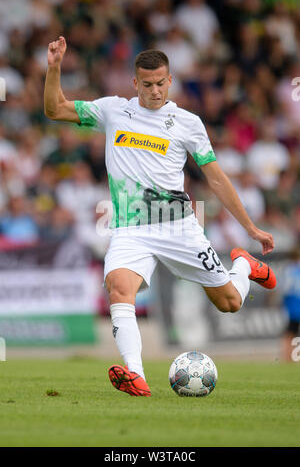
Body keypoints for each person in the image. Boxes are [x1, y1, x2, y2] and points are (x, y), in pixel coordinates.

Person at [44, 36, 276, 397]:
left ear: (170, 81)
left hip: (178, 226)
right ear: (135, 83)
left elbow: (215, 177)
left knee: (229, 302)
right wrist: (55, 67)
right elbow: (55, 109)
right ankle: (135, 374)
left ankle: (243, 266)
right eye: (147, 84)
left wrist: (250, 228)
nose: (154, 91)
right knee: (120, 289)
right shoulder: (113, 110)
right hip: (129, 228)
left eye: (160, 83)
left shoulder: (188, 123)